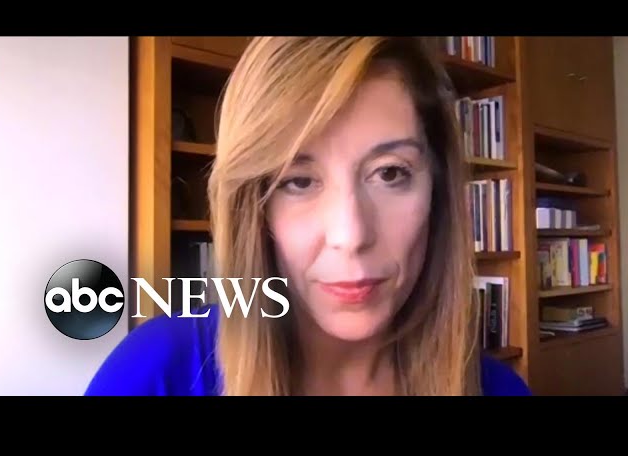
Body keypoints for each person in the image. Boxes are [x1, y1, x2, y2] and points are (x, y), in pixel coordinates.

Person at [85, 37, 531, 396]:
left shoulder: (497, 389)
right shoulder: (157, 372)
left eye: (390, 173)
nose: (350, 235)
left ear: (438, 191)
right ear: (255, 208)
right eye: (298, 181)